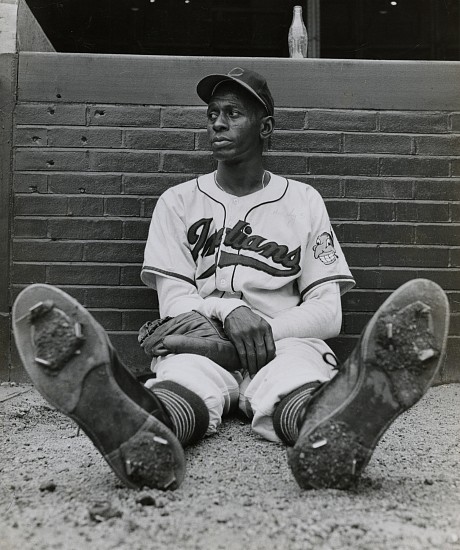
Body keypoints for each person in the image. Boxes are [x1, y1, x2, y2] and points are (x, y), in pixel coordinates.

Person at [12, 68, 449, 492]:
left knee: (294, 385)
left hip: (284, 344)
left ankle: (331, 428)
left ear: (266, 127)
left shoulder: (303, 201)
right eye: (212, 113)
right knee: (181, 386)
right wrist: (228, 309)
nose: (217, 122)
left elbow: (328, 312)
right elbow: (174, 304)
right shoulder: (177, 201)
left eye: (233, 113)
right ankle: (137, 427)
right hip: (201, 340)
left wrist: (260, 333)